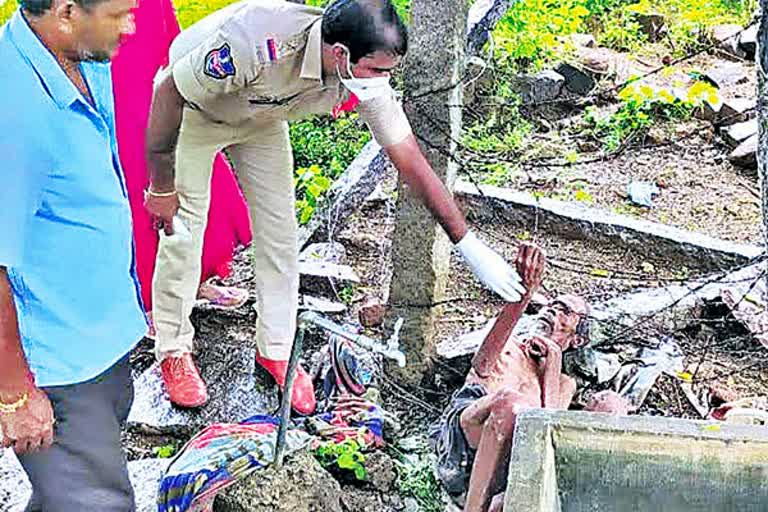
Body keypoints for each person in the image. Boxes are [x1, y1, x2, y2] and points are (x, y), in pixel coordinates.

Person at [144, 0, 526, 416]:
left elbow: (409, 158)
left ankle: (275, 348)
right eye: (378, 69)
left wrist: (466, 244)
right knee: (184, 232)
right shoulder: (256, 42)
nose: (383, 80)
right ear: (340, 54)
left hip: (260, 119)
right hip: (196, 114)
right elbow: (168, 91)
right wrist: (161, 187)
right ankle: (174, 350)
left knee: (280, 234)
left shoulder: (360, 75)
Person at [0, 0, 144, 510]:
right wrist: (15, 394)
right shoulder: (16, 111)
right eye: (122, 14)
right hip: (55, 365)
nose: (133, 27)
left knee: (66, 496)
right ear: (65, 11)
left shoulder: (77, 56)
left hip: (97, 334)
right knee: (95, 503)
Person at [111, 0, 252, 408]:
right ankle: (150, 298)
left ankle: (200, 275)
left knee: (185, 149)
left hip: (149, 25)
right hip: (101, 45)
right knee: (134, 156)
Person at [430, 243, 629, 512]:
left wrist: (552, 364)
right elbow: (481, 367)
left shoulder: (563, 382)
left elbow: (546, 435)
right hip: (468, 437)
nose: (552, 310)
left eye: (564, 311)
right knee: (512, 403)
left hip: (515, 460)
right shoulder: (510, 345)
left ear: (576, 339)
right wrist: (524, 292)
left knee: (612, 405)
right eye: (552, 304)